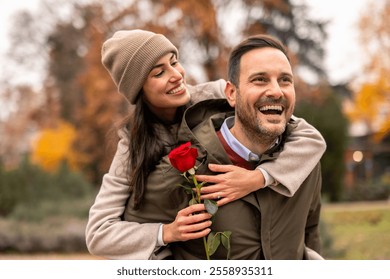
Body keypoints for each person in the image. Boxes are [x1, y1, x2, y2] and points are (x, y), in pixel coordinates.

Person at [85, 30, 326, 259]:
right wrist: (166, 232)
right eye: (159, 73)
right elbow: (99, 233)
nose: (176, 75)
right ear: (139, 89)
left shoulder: (216, 94)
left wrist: (259, 178)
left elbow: (308, 137)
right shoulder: (133, 144)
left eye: (174, 62)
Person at [169, 34, 323, 259]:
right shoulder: (184, 167)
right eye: (260, 79)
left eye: (285, 80)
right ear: (231, 93)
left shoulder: (306, 161)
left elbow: (310, 233)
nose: (276, 91)